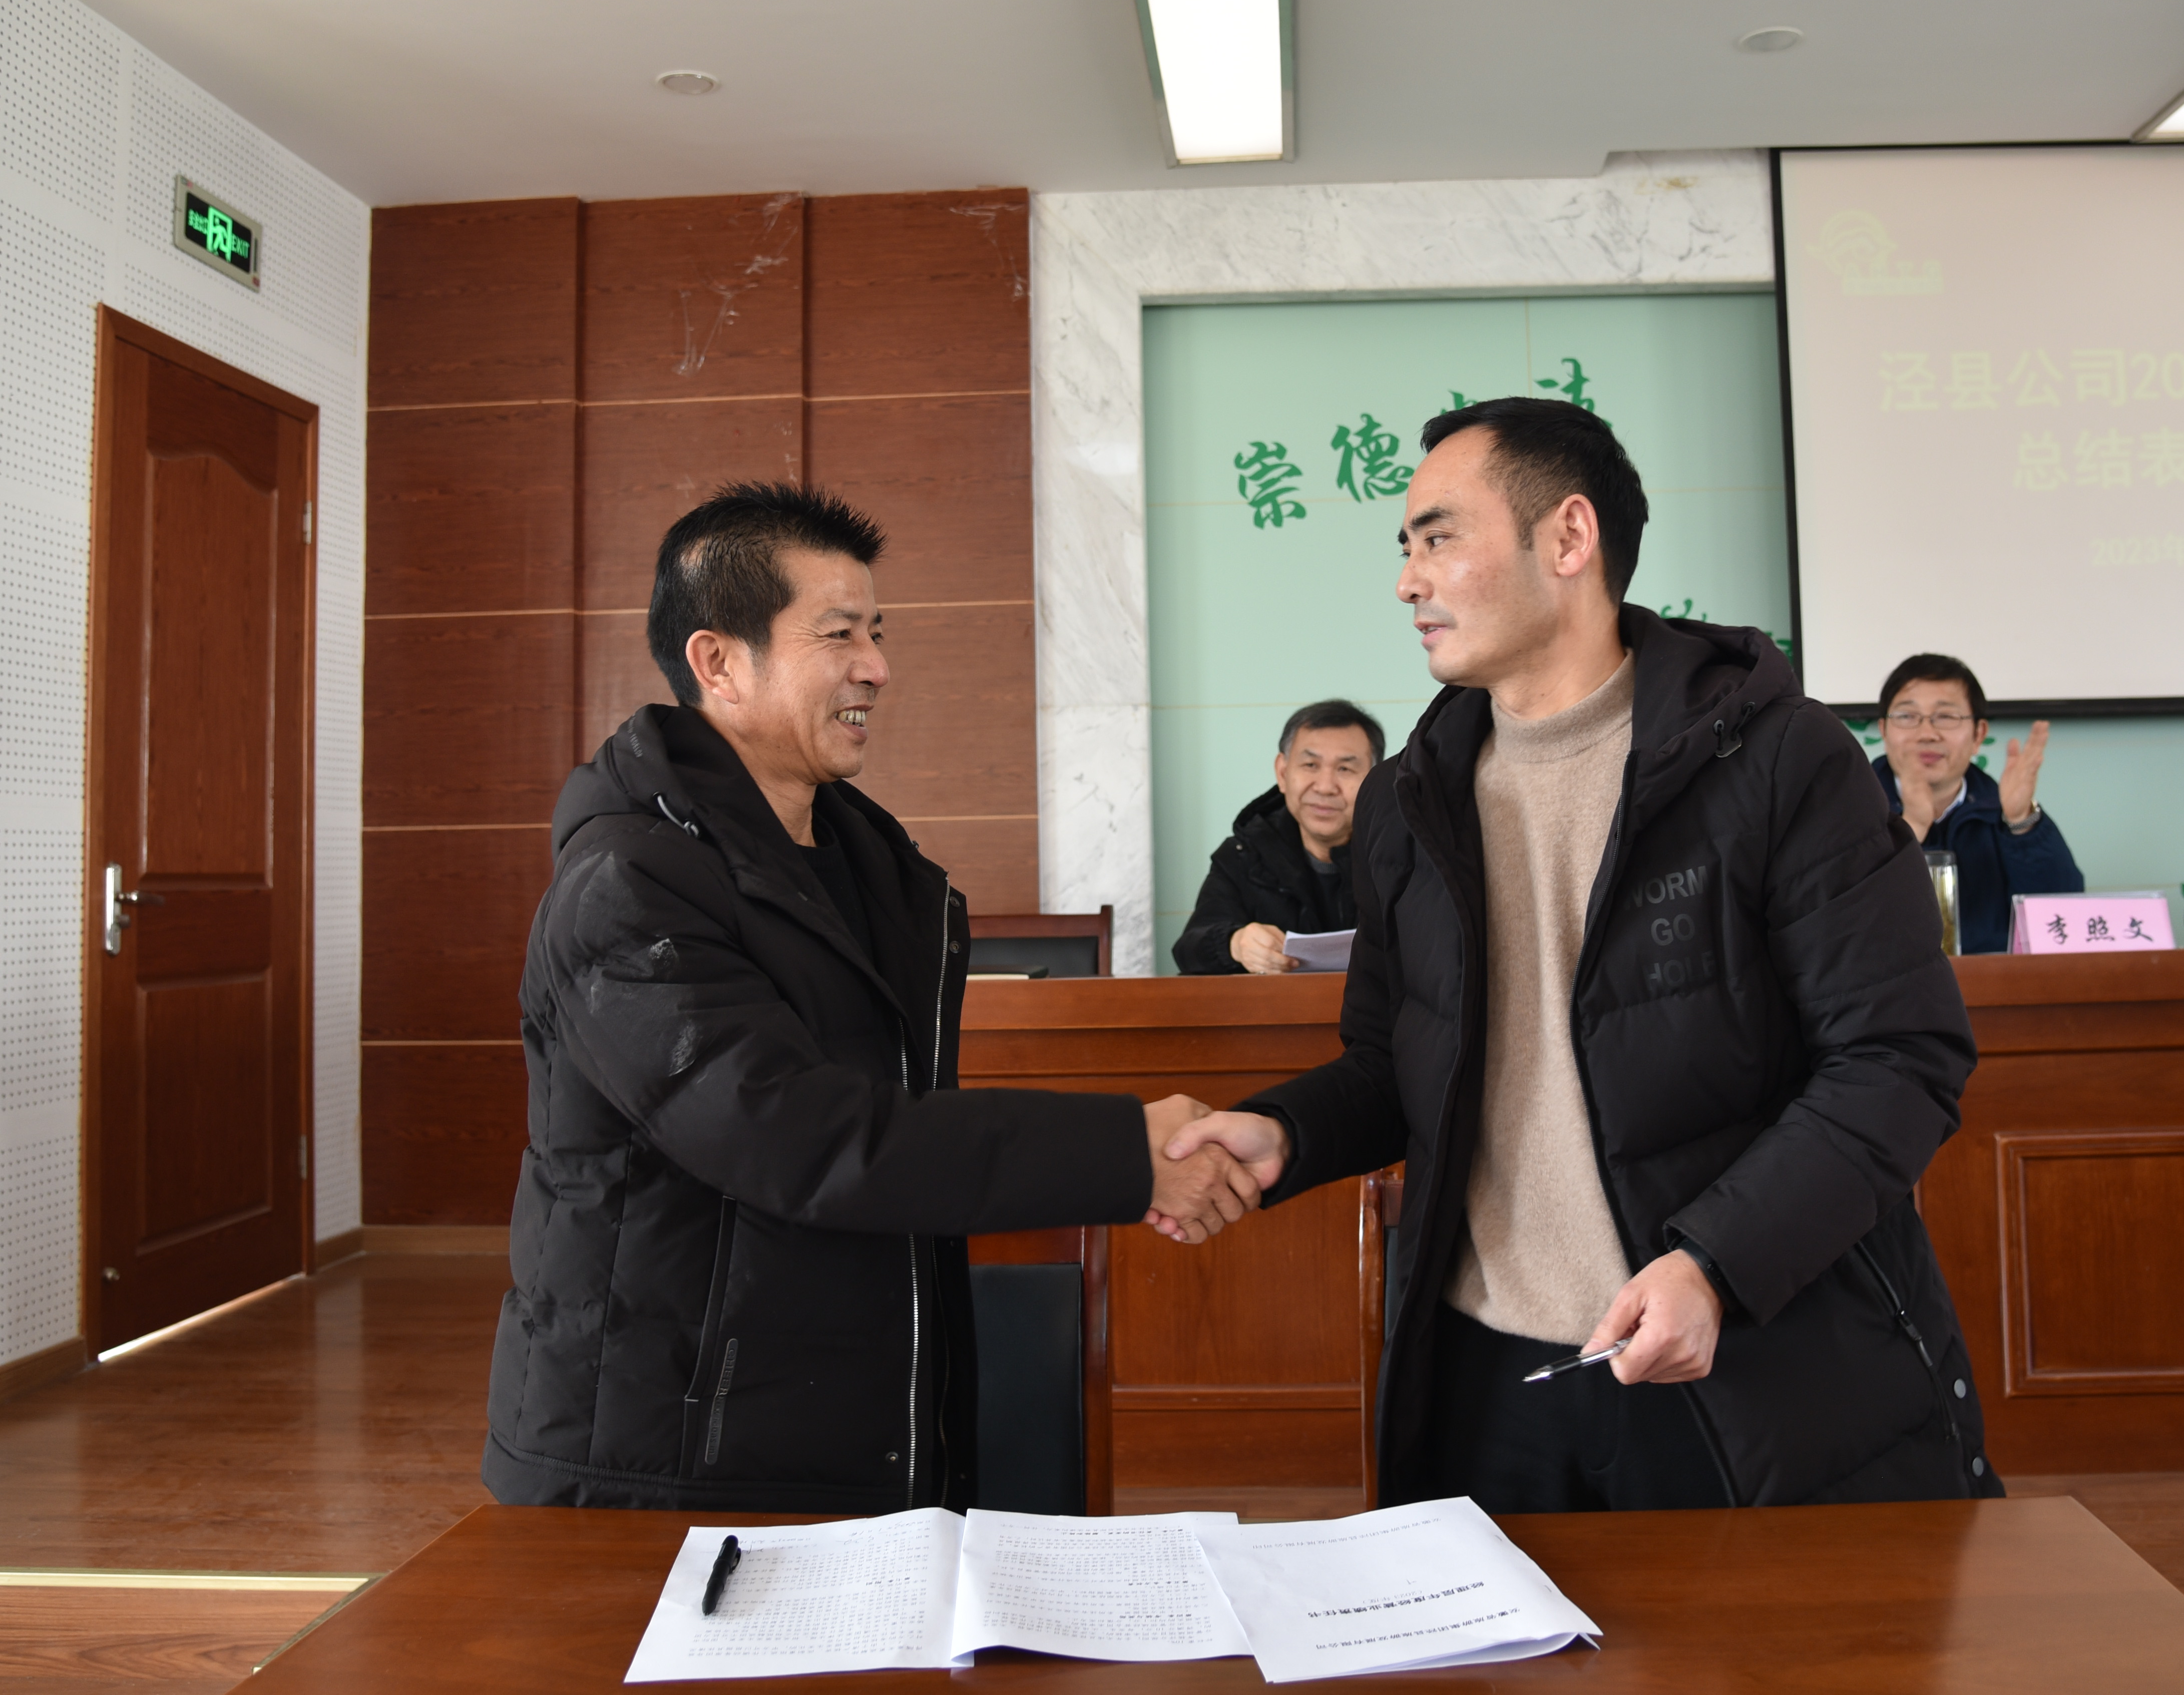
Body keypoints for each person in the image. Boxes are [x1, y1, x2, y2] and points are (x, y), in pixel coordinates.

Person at [1163, 398, 1999, 1511]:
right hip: (1483, 1383)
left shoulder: (1773, 760)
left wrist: (1715, 1263)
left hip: (1726, 1361)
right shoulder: (1410, 800)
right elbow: (1394, 1065)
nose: (1407, 582)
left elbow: (1899, 1057)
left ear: (1567, 537)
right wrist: (1285, 1131)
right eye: (1405, 547)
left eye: (1437, 538)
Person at [485, 484, 1260, 1513]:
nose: (877, 667)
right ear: (719, 662)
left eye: (877, 632)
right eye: (839, 634)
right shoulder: (628, 886)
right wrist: (1127, 1153)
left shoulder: (875, 868)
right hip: (669, 1457)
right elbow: (797, 1136)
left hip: (862, 1427)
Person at [1870, 653, 2082, 955]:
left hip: (1994, 982)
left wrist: (2021, 823)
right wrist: (1911, 828)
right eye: (1907, 716)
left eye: (1946, 717)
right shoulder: (1847, 810)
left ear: (1978, 734)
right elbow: (1842, 921)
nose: (1927, 734)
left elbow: (2061, 916)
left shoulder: (2001, 811)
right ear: (1884, 730)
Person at [1171, 701, 1385, 975]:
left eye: (1345, 769)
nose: (1325, 787)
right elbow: (1188, 950)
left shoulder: (1405, 854)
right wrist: (1234, 944)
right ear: (1283, 773)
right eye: (1311, 765)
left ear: (1375, 780)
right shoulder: (1244, 855)